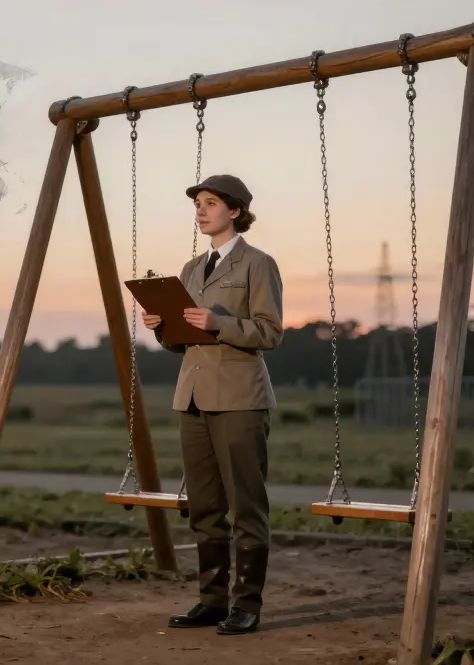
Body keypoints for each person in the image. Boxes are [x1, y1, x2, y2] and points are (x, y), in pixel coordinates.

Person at [141, 174, 283, 636]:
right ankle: (212, 600)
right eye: (198, 204)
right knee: (203, 507)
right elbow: (184, 343)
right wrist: (162, 327)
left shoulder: (257, 264)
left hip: (241, 398)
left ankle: (247, 605)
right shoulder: (189, 269)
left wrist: (219, 322)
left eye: (211, 203)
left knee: (246, 506)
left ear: (235, 211)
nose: (201, 211)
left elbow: (269, 332)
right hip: (193, 396)